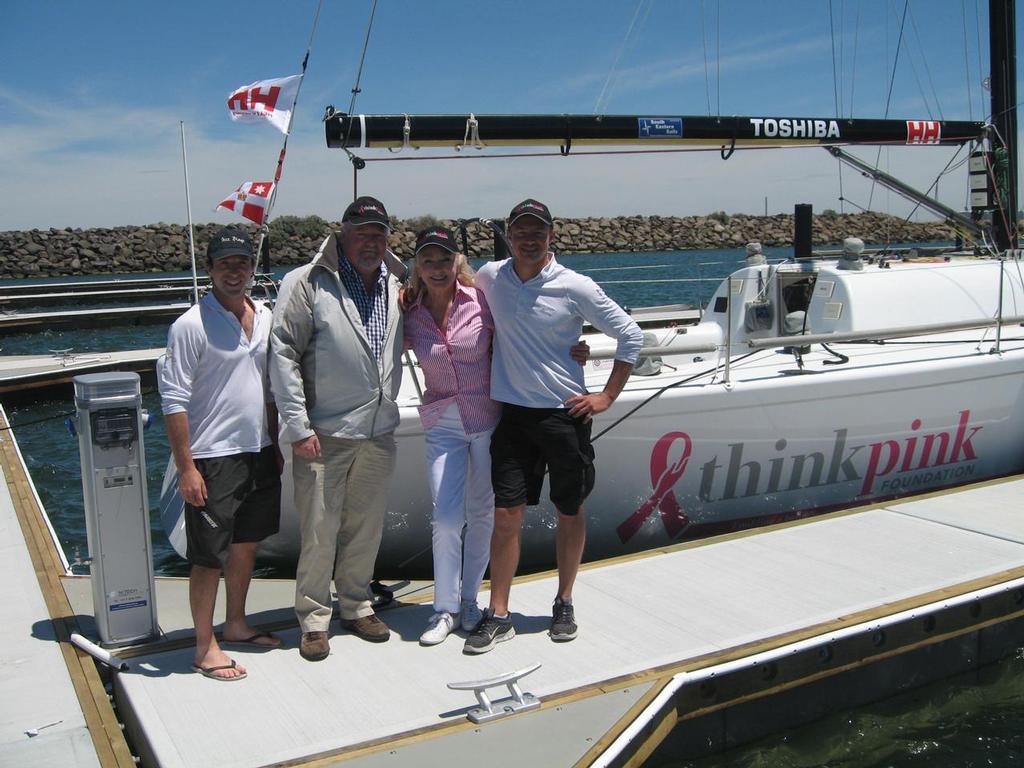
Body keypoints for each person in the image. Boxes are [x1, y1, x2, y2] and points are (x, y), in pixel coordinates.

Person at [464, 199, 644, 654]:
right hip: (512, 416)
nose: (528, 239)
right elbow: (451, 285)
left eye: (537, 231)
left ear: (551, 236)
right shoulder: (491, 276)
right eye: (520, 230)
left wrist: (606, 396)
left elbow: (631, 334)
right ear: (509, 233)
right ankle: (499, 612)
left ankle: (564, 600)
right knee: (506, 515)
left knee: (570, 509)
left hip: (565, 416)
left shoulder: (574, 286)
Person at [269, 196, 407, 662]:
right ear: (341, 233)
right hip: (322, 433)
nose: (370, 242)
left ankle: (356, 604)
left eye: (378, 234)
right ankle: (312, 619)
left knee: (365, 528)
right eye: (362, 232)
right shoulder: (306, 281)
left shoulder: (398, 281)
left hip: (378, 430)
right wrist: (297, 425)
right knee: (318, 531)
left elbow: (450, 289)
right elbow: (283, 352)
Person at [158, 226, 283, 681]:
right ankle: (203, 645)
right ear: (209, 269)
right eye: (225, 264)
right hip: (214, 456)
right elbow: (173, 400)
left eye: (243, 263)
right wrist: (186, 467)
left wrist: (273, 441)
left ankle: (235, 623)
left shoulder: (265, 316)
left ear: (253, 268)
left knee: (247, 543)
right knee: (209, 555)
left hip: (260, 450)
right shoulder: (190, 325)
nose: (235, 271)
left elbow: (268, 389)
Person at [401, 226, 499, 645]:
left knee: (481, 515)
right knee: (445, 518)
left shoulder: (482, 302)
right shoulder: (410, 312)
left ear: (457, 262)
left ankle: (470, 601)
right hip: (443, 421)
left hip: (489, 420)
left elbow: (523, 335)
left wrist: (574, 349)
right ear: (417, 267)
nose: (437, 269)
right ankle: (444, 609)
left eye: (445, 260)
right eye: (428, 261)